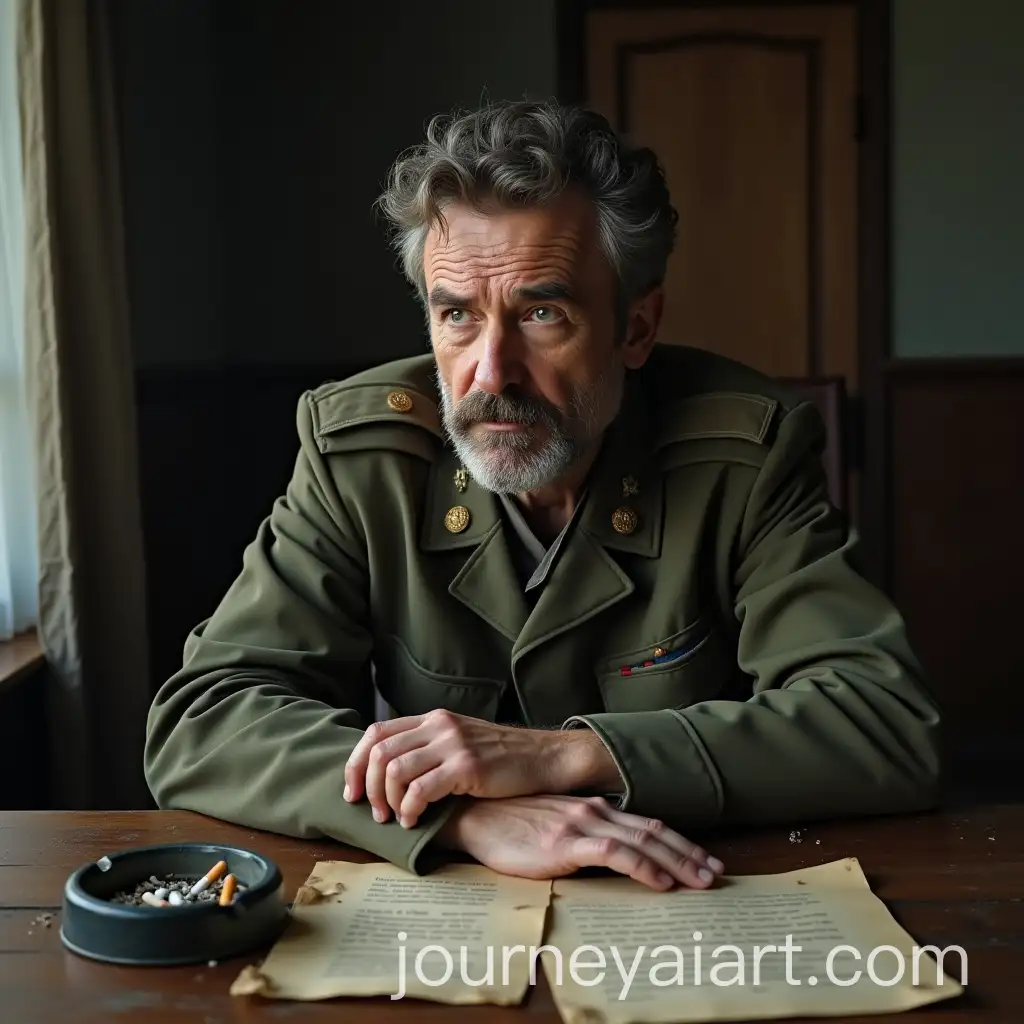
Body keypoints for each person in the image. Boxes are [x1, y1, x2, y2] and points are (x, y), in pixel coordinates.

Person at [144, 99, 941, 893]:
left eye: (542, 314)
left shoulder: (744, 458)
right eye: (456, 315)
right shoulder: (363, 456)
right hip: (446, 913)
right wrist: (458, 819)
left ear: (636, 328)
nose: (491, 374)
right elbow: (205, 720)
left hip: (684, 893)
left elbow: (882, 723)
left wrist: (562, 757)